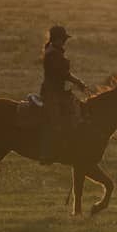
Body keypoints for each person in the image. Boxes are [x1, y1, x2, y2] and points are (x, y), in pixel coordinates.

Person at [38, 25, 89, 165]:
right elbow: (62, 74)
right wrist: (77, 82)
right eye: (63, 39)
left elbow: (63, 74)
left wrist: (77, 82)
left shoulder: (54, 51)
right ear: (58, 39)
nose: (65, 42)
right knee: (55, 121)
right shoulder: (53, 53)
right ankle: (46, 154)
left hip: (57, 91)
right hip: (52, 93)